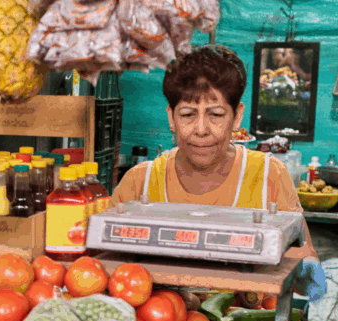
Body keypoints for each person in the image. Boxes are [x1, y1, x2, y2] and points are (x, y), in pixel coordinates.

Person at [108, 45, 326, 301]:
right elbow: (105, 269)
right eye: (188, 114)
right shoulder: (140, 182)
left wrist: (306, 269)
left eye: (216, 114)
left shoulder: (268, 175)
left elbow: (302, 259)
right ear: (171, 117)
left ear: (237, 118)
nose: (201, 129)